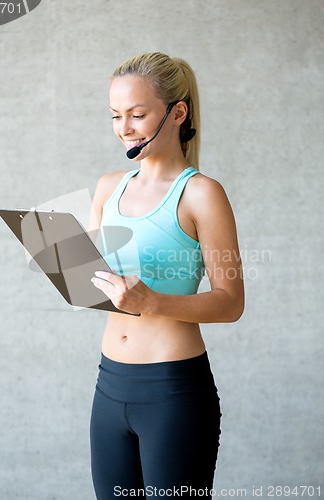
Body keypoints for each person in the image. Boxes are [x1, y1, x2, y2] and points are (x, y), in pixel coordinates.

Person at [89, 52, 245, 499]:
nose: (124, 127)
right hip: (108, 387)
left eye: (137, 114)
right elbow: (97, 276)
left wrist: (153, 302)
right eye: (116, 115)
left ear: (178, 113)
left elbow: (231, 301)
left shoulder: (201, 194)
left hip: (172, 393)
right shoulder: (108, 187)